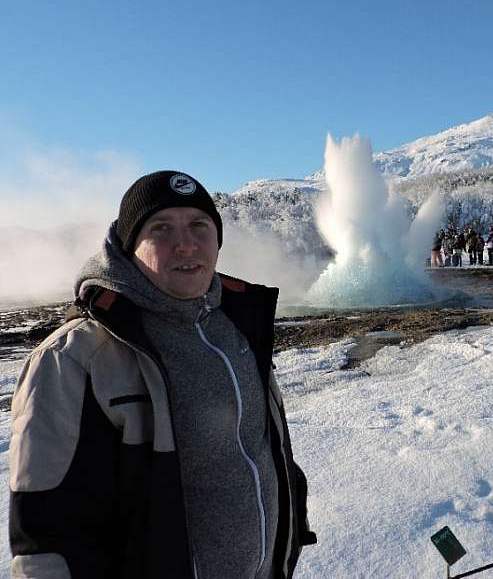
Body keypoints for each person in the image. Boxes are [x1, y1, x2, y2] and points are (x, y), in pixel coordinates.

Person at [9, 171, 314, 579]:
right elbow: (45, 535)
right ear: (130, 246)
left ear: (217, 241)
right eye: (161, 228)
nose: (185, 243)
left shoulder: (239, 327)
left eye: (199, 226)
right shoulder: (75, 358)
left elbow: (260, 449)